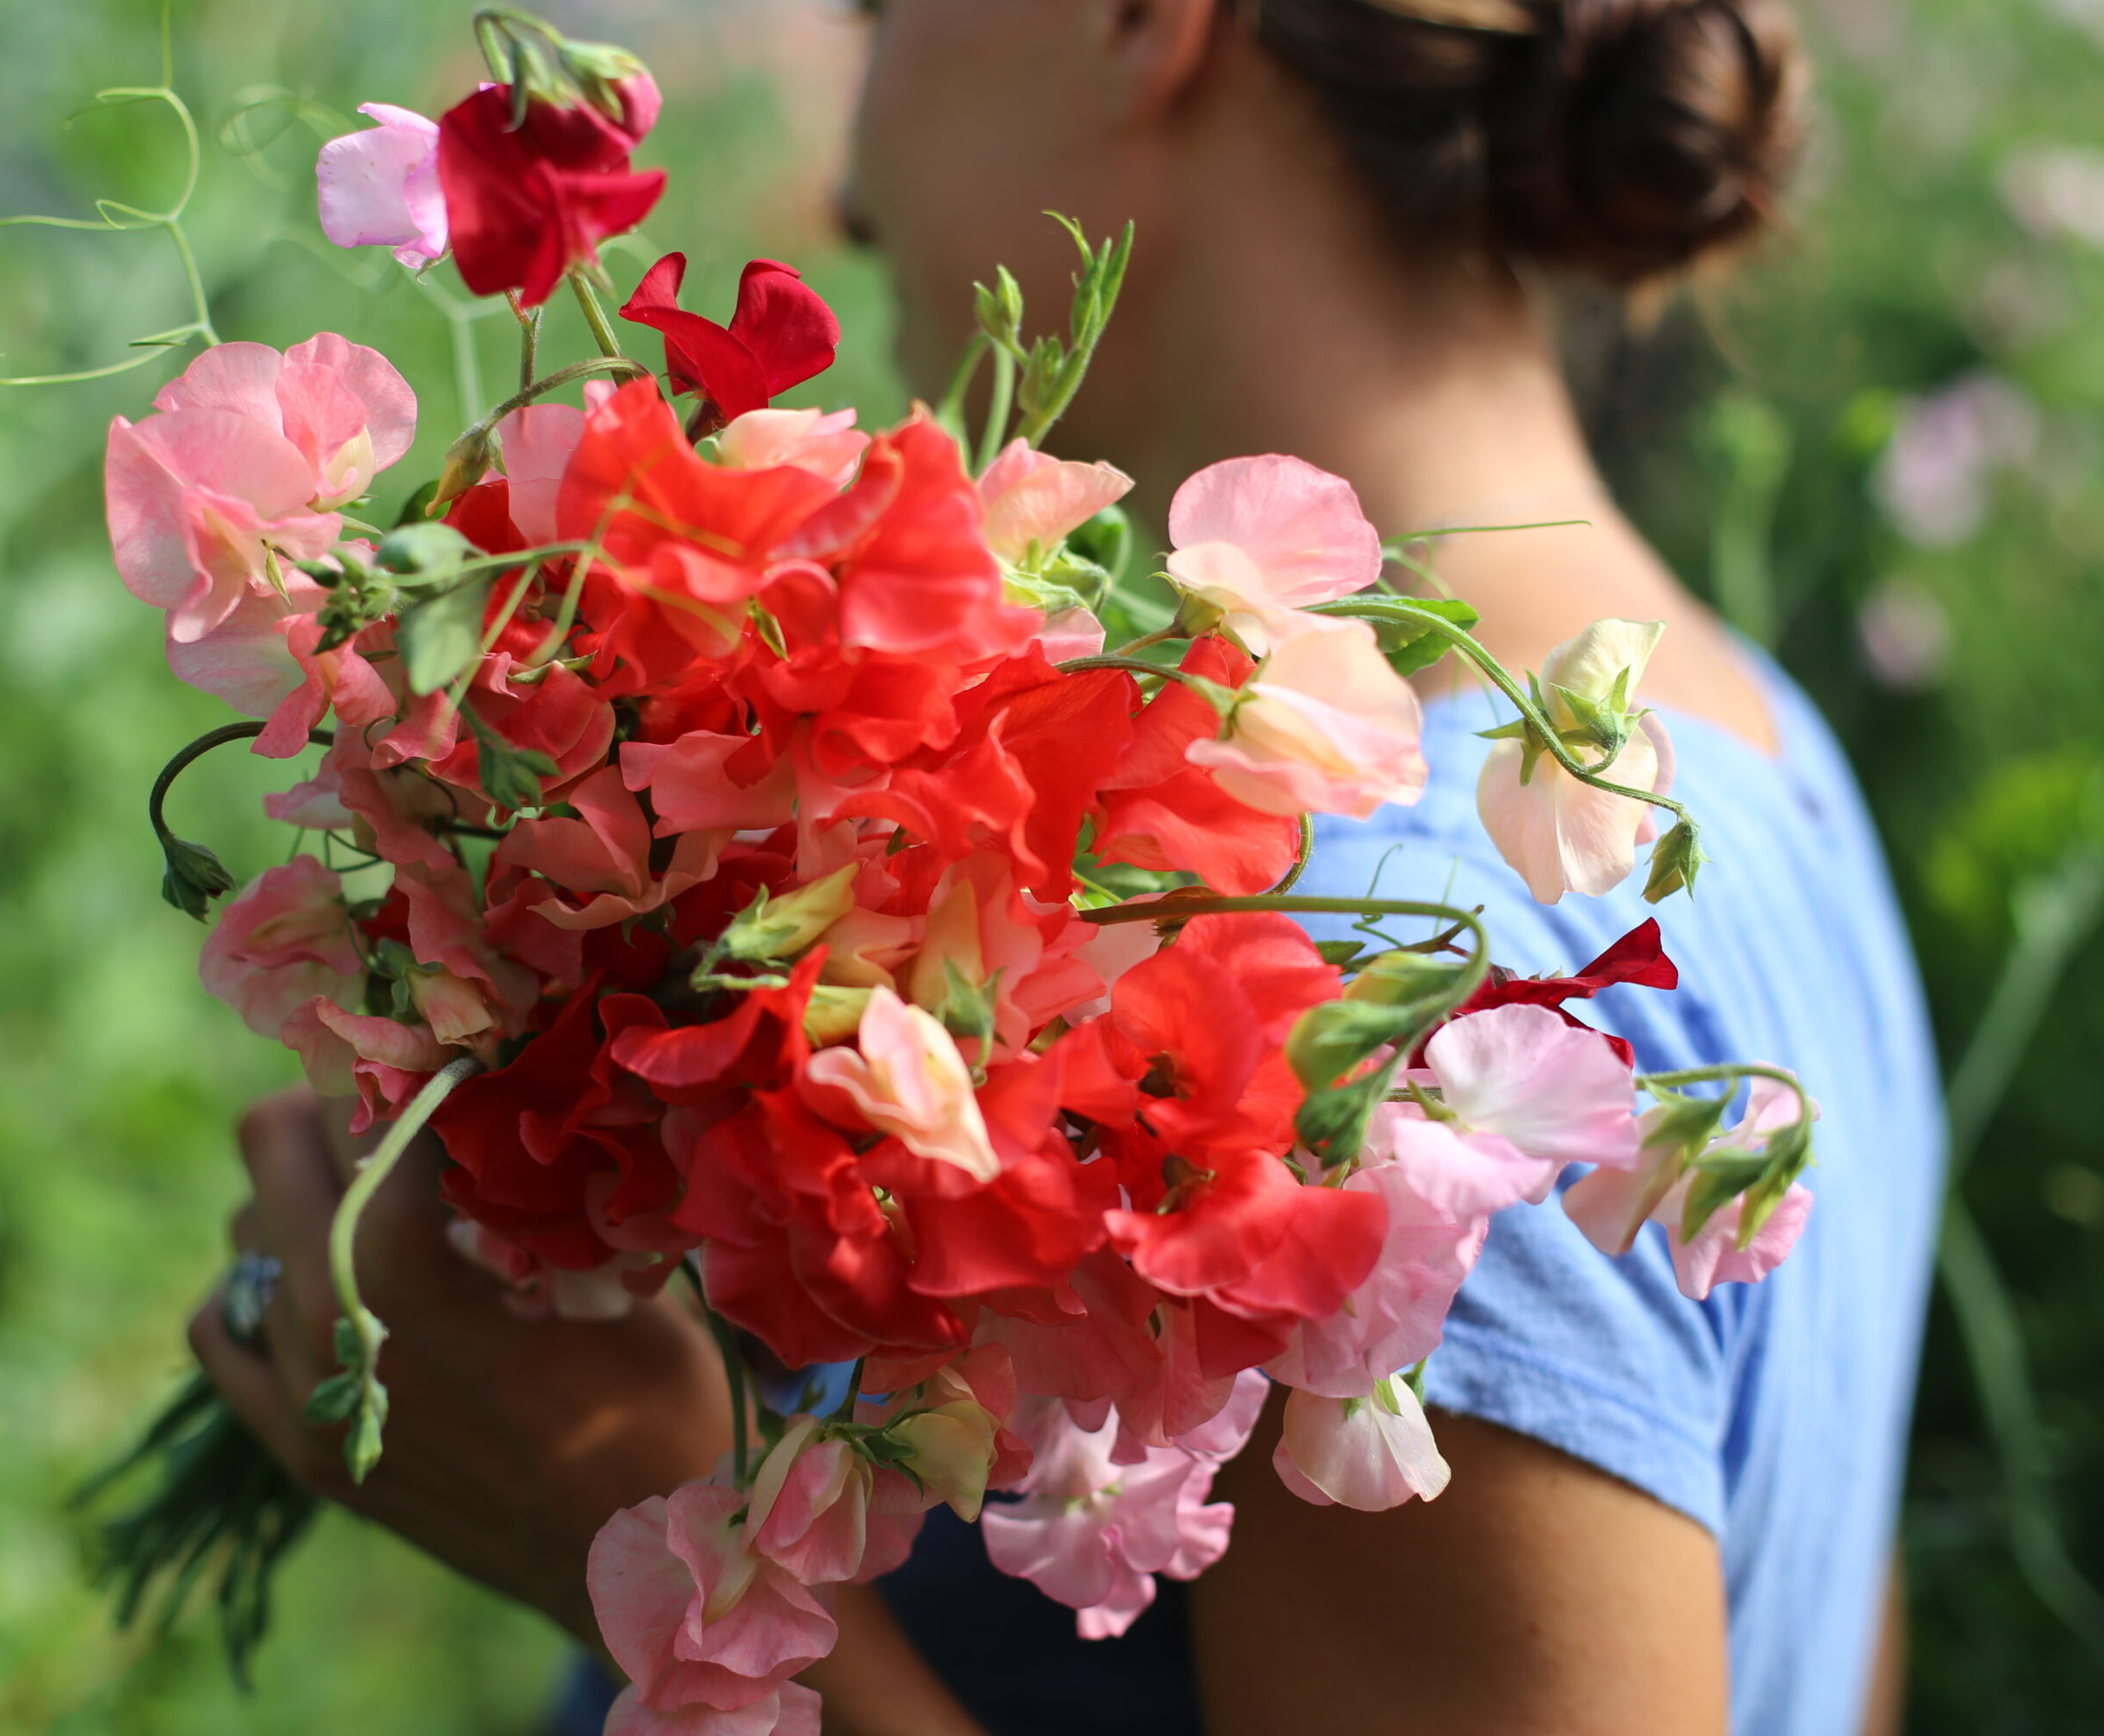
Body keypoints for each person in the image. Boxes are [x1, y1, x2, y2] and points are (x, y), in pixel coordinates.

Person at [187, 3, 1946, 1733]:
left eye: (881, 13)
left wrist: (609, 1505)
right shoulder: (1762, 752)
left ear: (1146, 24)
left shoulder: (1371, 1091)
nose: (846, 177)